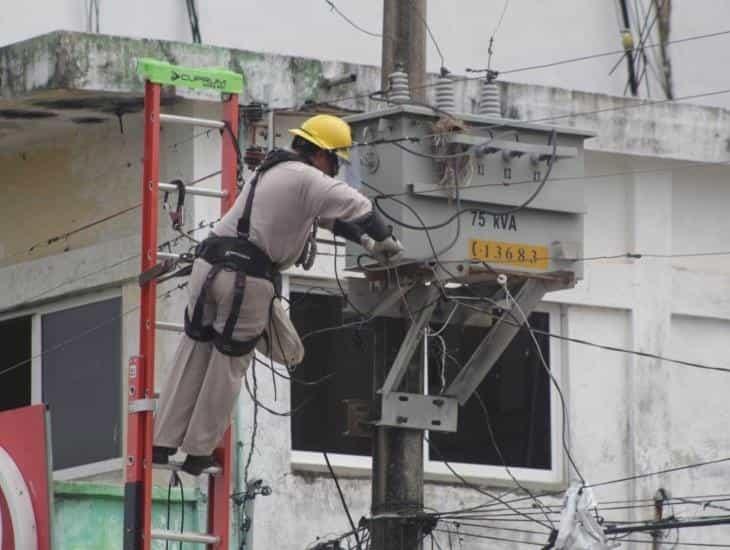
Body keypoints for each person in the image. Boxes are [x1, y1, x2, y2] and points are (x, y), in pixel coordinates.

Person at [152, 114, 404, 474]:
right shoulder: (309, 178)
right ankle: (197, 452)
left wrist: (362, 241)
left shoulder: (273, 169)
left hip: (209, 267)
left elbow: (330, 219)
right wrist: (385, 238)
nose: (334, 170)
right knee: (228, 365)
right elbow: (360, 207)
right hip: (246, 279)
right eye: (335, 162)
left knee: (196, 350)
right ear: (321, 154)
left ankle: (161, 443)